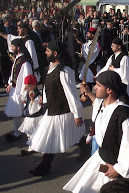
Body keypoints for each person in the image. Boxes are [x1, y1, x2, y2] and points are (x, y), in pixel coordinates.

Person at [63, 71, 129, 192]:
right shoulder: (103, 105)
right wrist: (89, 93)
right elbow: (98, 104)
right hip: (101, 160)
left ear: (109, 90)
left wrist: (118, 169)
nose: (95, 87)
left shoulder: (123, 116)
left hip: (114, 168)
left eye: (98, 85)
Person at [27, 40, 85, 176]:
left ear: (55, 53)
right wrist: (43, 98)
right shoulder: (51, 66)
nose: (45, 52)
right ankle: (86, 148)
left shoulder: (65, 71)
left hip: (62, 110)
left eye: (47, 51)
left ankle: (44, 166)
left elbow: (71, 94)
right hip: (52, 109)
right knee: (67, 135)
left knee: (52, 137)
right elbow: (48, 86)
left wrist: (77, 113)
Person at [4, 38, 33, 142]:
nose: (11, 48)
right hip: (15, 90)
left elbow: (28, 78)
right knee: (16, 114)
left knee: (26, 115)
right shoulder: (17, 59)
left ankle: (30, 136)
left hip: (21, 92)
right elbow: (13, 73)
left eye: (12, 46)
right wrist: (10, 84)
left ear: (18, 47)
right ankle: (17, 133)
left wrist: (25, 93)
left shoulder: (25, 62)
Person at [18, 74, 43, 155]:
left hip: (35, 118)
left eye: (29, 86)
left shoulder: (37, 94)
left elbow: (34, 109)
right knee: (29, 133)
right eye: (26, 86)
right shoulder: (29, 92)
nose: (27, 88)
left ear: (34, 85)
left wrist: (32, 99)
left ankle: (34, 147)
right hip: (29, 118)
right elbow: (23, 99)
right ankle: (32, 146)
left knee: (34, 132)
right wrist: (24, 91)